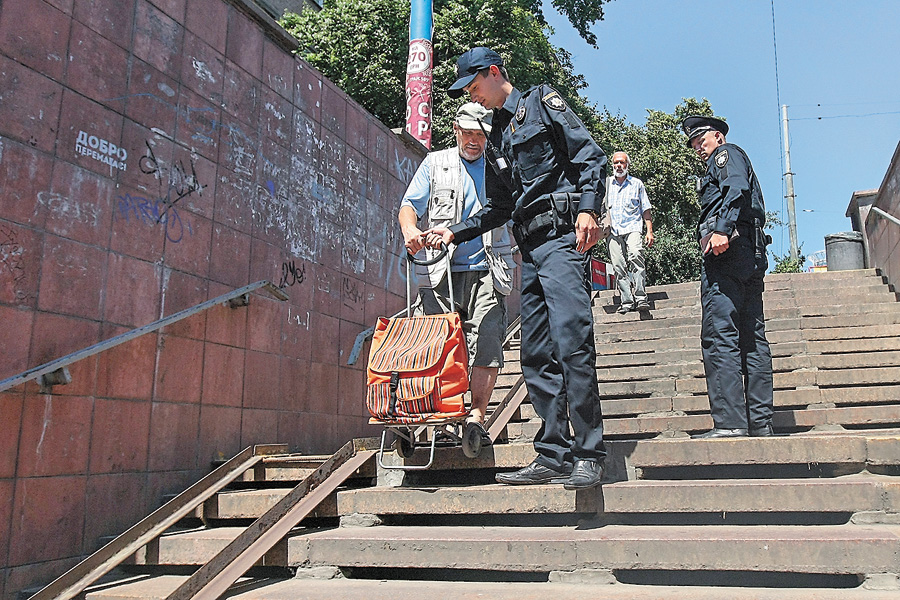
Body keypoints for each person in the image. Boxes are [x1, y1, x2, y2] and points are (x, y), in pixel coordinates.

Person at [426, 47, 607, 490]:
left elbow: (590, 157)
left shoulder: (542, 104)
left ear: (493, 73)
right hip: (531, 252)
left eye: (474, 87)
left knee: (573, 343)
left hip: (564, 242)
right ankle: (553, 454)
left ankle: (589, 453)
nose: (474, 96)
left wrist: (589, 209)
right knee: (535, 354)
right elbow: (499, 208)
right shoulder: (498, 139)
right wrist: (456, 232)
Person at [399, 102, 516, 439]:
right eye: (467, 133)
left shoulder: (500, 166)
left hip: (489, 267)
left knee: (487, 341)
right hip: (440, 271)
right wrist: (411, 232)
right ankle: (441, 412)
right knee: (437, 344)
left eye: (480, 135)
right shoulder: (436, 163)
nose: (473, 141)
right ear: (456, 130)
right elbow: (409, 207)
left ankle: (476, 416)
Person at [682, 115, 774, 439]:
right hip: (749, 253)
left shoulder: (727, 153)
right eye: (694, 145)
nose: (698, 149)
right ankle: (760, 422)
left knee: (720, 335)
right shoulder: (731, 156)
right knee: (752, 338)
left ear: (717, 137)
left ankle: (730, 423)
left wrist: (721, 229)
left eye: (701, 141)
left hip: (727, 254)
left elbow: (736, 188)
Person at [605, 151, 654, 313]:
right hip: (612, 230)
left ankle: (640, 297)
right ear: (612, 165)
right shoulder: (606, 184)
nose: (619, 166)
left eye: (622, 163)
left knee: (635, 255)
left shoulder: (637, 184)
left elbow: (645, 209)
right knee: (618, 265)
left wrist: (649, 231)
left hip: (633, 227)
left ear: (627, 165)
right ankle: (626, 300)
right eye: (616, 163)